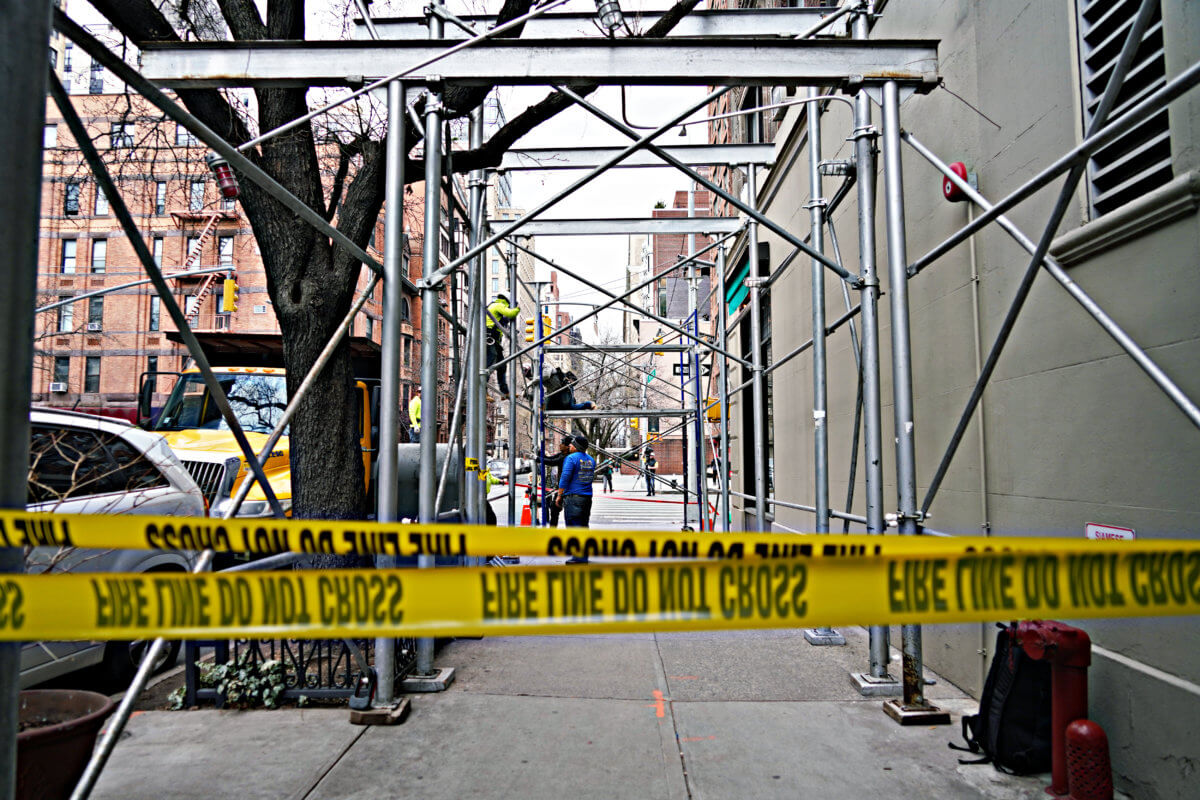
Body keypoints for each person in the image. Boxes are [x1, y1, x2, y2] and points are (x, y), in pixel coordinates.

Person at [556, 434, 595, 563]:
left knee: (573, 526)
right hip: (586, 497)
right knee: (583, 525)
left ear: (576, 447)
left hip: (573, 498)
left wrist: (559, 495)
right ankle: (583, 555)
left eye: (572, 444)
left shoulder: (571, 458)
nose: (569, 446)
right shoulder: (590, 459)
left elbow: (565, 477)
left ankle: (579, 557)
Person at [485, 294, 520, 398]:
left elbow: (503, 323)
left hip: (494, 341)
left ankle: (504, 392)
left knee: (502, 366)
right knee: (490, 360)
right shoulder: (498, 305)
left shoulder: (497, 308)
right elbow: (511, 313)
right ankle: (482, 389)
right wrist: (517, 309)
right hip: (488, 338)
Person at [535, 435, 573, 528]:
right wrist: (540, 453)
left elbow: (553, 462)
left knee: (564, 511)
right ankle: (553, 529)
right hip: (561, 486)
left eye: (562, 443)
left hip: (567, 488)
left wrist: (538, 459)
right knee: (554, 509)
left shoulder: (567, 457)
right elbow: (550, 459)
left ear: (567, 446)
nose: (560, 445)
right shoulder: (561, 454)